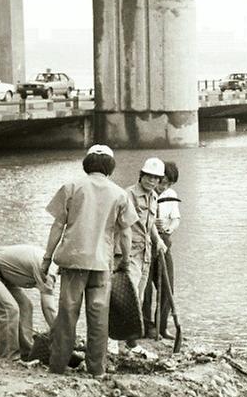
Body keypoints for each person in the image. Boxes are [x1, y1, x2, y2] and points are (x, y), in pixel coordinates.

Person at [43, 144, 138, 376]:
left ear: (87, 164)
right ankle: (97, 370)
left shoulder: (71, 187)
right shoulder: (119, 194)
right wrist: (125, 261)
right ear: (110, 166)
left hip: (73, 262)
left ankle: (57, 367)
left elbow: (57, 225)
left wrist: (47, 259)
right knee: (98, 318)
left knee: (67, 316)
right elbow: (126, 233)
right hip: (101, 264)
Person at [0, 244, 57, 360]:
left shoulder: (50, 262)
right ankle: (9, 358)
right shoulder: (47, 270)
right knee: (9, 310)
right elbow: (49, 308)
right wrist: (59, 333)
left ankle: (27, 354)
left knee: (26, 306)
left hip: (3, 274)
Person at [121, 157, 168, 351]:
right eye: (148, 177)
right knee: (127, 296)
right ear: (141, 176)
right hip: (130, 250)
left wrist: (158, 241)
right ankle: (118, 339)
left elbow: (150, 225)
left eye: (156, 179)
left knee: (139, 297)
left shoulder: (154, 197)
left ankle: (130, 339)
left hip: (146, 252)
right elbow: (124, 225)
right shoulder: (128, 195)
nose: (152, 181)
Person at [142, 161, 181, 339]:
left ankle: (162, 326)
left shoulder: (171, 195)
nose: (163, 187)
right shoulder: (145, 194)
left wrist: (168, 227)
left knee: (167, 286)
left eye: (168, 184)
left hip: (164, 243)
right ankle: (146, 327)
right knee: (145, 289)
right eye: (162, 182)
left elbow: (176, 219)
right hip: (145, 246)